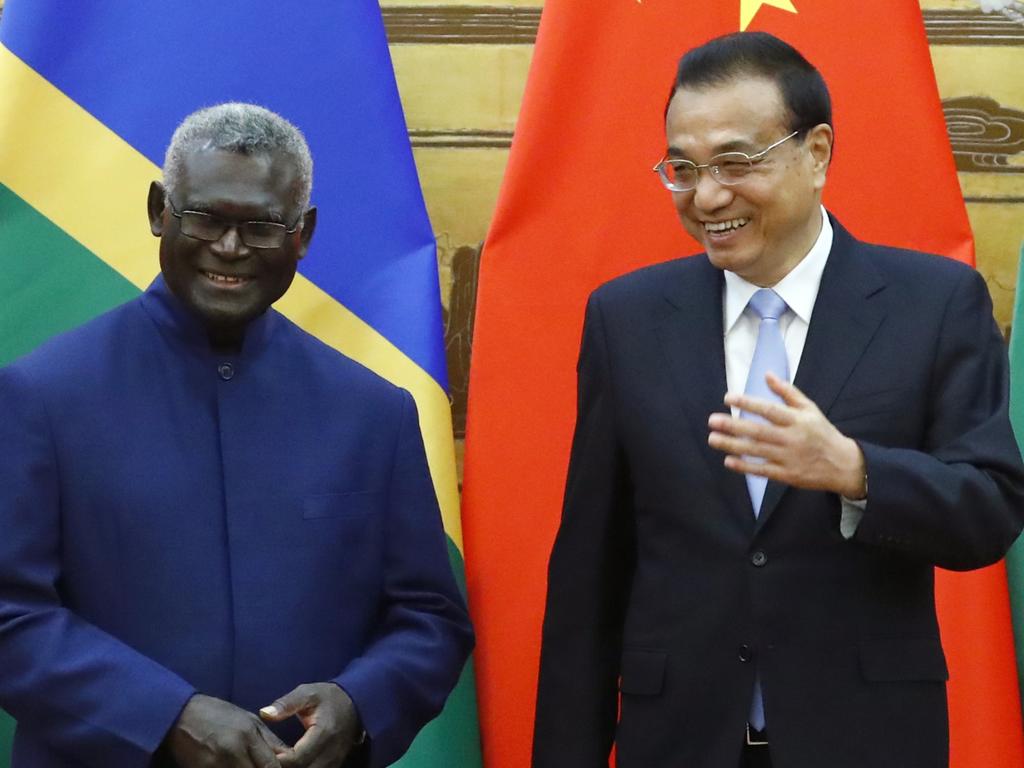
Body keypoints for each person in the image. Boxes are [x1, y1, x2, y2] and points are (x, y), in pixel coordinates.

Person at [532, 31, 1024, 768]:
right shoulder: (626, 319)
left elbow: (990, 507)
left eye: (735, 163)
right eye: (684, 169)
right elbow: (591, 572)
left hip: (864, 739)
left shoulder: (933, 303)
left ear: (816, 152)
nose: (707, 197)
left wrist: (857, 471)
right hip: (680, 741)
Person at [0, 103, 473, 768]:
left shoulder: (374, 413)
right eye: (206, 218)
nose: (229, 248)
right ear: (160, 211)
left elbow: (430, 619)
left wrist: (358, 705)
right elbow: (10, 616)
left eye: (259, 226)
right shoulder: (40, 396)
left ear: (303, 233)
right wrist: (164, 716)